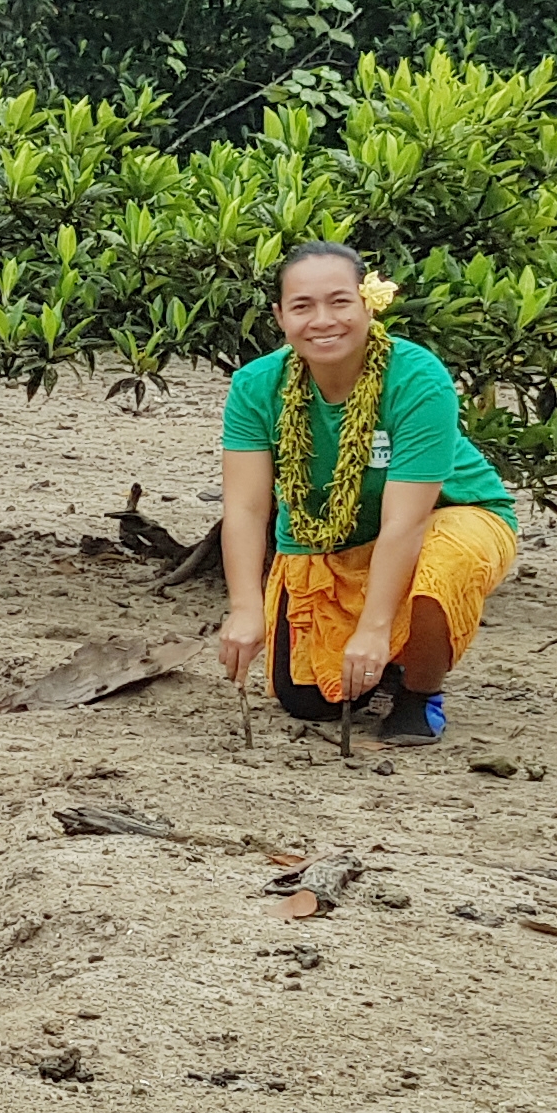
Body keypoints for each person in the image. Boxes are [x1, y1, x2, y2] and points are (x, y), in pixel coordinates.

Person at [210, 241, 516, 744]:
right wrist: (246, 607)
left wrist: (373, 628)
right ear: (280, 316)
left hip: (447, 515)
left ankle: (419, 691)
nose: (322, 321)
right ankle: (390, 655)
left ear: (369, 305)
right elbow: (245, 507)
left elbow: (405, 521)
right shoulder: (256, 385)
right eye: (302, 307)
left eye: (340, 302)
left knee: (442, 563)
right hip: (326, 537)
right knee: (307, 700)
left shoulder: (417, 378)